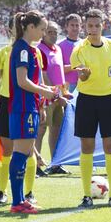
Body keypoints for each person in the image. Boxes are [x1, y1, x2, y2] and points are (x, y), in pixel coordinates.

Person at [70, 9, 111, 208]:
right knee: (87, 147)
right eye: (90, 26)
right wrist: (83, 74)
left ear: (103, 25)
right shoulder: (79, 49)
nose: (93, 29)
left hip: (109, 100)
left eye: (97, 25)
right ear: (85, 27)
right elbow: (81, 77)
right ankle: (86, 195)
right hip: (86, 100)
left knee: (110, 147)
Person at [0, 17, 46, 205]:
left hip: (28, 105)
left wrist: (45, 98)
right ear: (28, 27)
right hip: (17, 105)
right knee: (15, 152)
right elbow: (19, 82)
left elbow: (37, 80)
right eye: (42, 29)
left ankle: (25, 196)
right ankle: (11, 197)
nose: (43, 33)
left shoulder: (32, 51)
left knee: (26, 151)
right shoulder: (17, 50)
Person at [36, 21, 70, 175]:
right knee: (41, 130)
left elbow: (60, 73)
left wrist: (63, 92)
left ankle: (55, 163)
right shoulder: (40, 50)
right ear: (43, 33)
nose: (53, 35)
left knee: (56, 130)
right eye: (50, 32)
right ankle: (36, 164)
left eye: (56, 32)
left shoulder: (57, 49)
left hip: (57, 96)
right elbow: (43, 76)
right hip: (46, 97)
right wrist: (55, 95)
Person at [58, 14, 82, 93]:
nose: (75, 28)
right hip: (66, 86)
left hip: (84, 86)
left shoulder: (86, 44)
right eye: (72, 25)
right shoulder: (59, 46)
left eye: (77, 25)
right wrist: (76, 66)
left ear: (80, 27)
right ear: (66, 27)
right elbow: (58, 69)